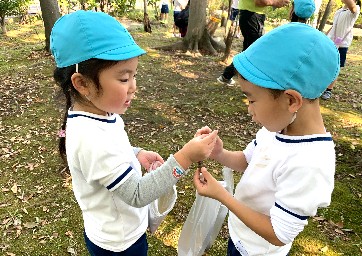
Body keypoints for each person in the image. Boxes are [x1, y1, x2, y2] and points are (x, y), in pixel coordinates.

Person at [50, 10, 218, 255]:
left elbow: (110, 154)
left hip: (116, 229)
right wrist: (186, 158)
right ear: (82, 83)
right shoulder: (92, 138)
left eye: (134, 76)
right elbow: (137, 194)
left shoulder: (99, 113)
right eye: (123, 78)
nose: (133, 87)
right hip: (120, 243)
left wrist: (135, 153)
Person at [194, 23, 339, 255]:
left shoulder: (310, 162)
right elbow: (249, 160)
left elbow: (278, 234)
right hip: (241, 236)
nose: (249, 110)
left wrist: (221, 196)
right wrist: (219, 154)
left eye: (251, 100)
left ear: (291, 101)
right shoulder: (277, 127)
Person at [217, 0, 290, 86]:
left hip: (252, 15)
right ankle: (236, 79)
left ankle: (227, 76)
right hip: (252, 16)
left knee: (250, 50)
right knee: (253, 51)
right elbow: (259, 2)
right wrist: (275, 2)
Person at [321, 0, 360, 100]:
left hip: (342, 44)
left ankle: (328, 90)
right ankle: (320, 86)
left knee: (336, 67)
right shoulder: (339, 11)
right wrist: (323, 36)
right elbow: (334, 26)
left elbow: (352, 6)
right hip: (330, 42)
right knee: (325, 64)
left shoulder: (355, 10)